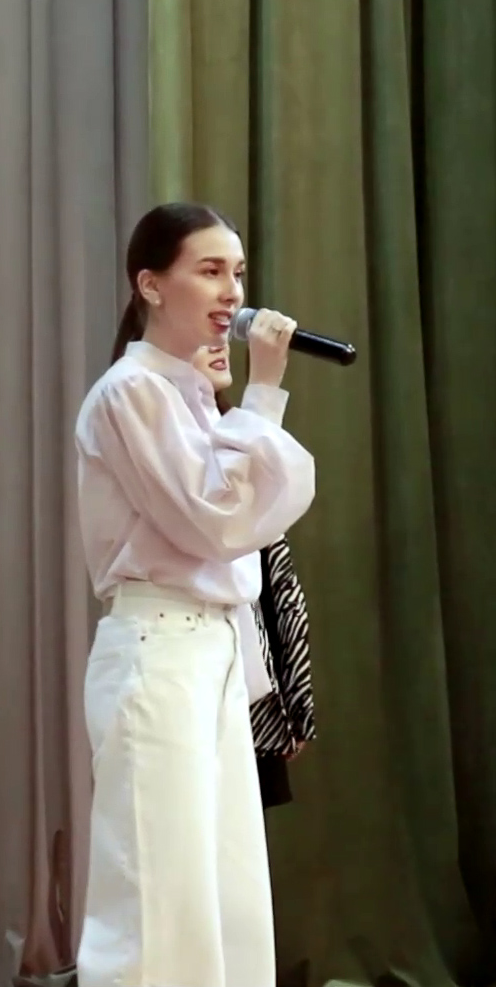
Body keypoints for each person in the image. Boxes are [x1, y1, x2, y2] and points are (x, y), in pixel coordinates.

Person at [75, 202, 315, 987]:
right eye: (210, 270)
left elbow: (255, 518)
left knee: (226, 887)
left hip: (211, 654)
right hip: (159, 651)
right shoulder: (130, 393)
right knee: (159, 889)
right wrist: (265, 391)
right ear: (151, 284)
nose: (231, 291)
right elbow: (215, 520)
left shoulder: (191, 395)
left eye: (237, 272)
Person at [190, 343, 318, 810]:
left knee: (243, 837)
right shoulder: (154, 431)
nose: (219, 345)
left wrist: (293, 701)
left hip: (253, 684)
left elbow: (278, 583)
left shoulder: (236, 432)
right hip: (190, 676)